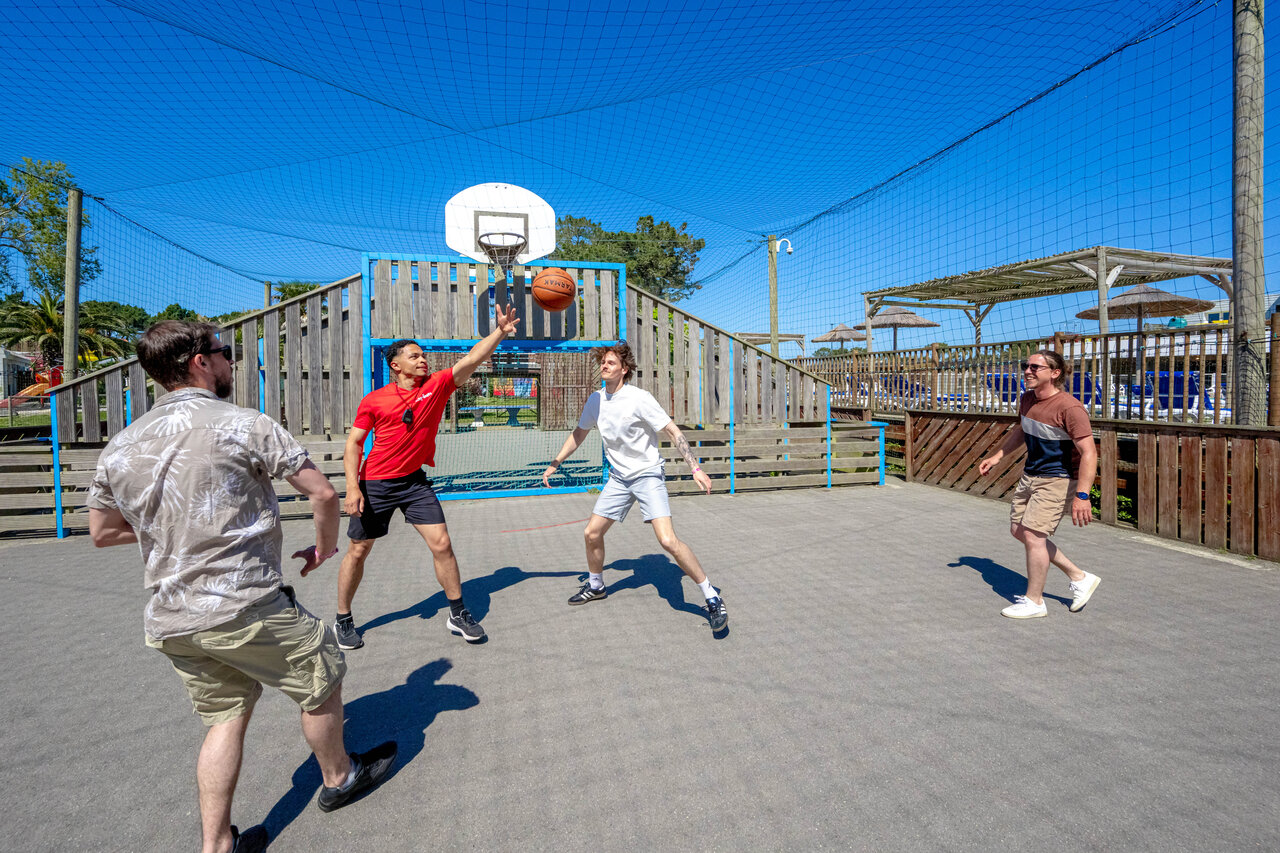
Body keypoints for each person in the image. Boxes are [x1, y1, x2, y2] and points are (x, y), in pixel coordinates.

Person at [88, 321, 396, 853]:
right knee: (320, 675)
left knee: (225, 716)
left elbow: (102, 532)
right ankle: (339, 777)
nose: (229, 361)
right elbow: (323, 494)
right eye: (223, 353)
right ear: (197, 362)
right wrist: (323, 548)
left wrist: (174, 528)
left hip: (172, 617)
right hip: (244, 604)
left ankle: (216, 845)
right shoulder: (243, 424)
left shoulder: (121, 445)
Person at [334, 304, 520, 650]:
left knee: (442, 544)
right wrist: (351, 487)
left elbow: (471, 360)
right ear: (396, 365)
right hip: (375, 484)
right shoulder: (374, 401)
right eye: (415, 356)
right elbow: (354, 444)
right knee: (359, 550)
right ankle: (343, 618)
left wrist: (499, 332)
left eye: (423, 355)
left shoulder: (436, 386)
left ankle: (458, 612)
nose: (423, 360)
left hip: (414, 483)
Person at [542, 341, 727, 631]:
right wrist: (556, 462)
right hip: (619, 478)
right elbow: (579, 433)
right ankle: (596, 585)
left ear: (624, 369)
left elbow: (671, 429)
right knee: (591, 533)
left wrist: (695, 467)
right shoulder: (596, 400)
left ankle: (711, 595)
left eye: (611, 363)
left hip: (647, 474)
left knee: (667, 541)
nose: (604, 365)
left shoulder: (639, 398)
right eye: (603, 362)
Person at [978, 349, 1102, 619]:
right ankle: (1079, 577)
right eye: (1026, 366)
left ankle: (1034, 602)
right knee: (1018, 530)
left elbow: (1089, 453)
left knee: (1034, 536)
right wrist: (998, 456)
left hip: (1057, 478)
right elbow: (1022, 429)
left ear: (1055, 373)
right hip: (1031, 474)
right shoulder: (1027, 399)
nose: (1027, 371)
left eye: (1035, 367)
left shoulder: (1070, 407)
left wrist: (1083, 495)